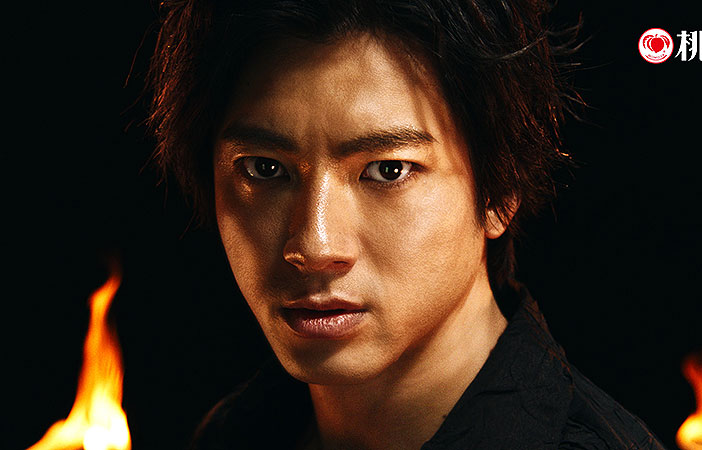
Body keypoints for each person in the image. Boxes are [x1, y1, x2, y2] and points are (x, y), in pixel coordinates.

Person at [146, 1, 666, 448]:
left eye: (388, 171)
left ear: (500, 189)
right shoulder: (236, 431)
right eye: (265, 169)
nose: (314, 244)